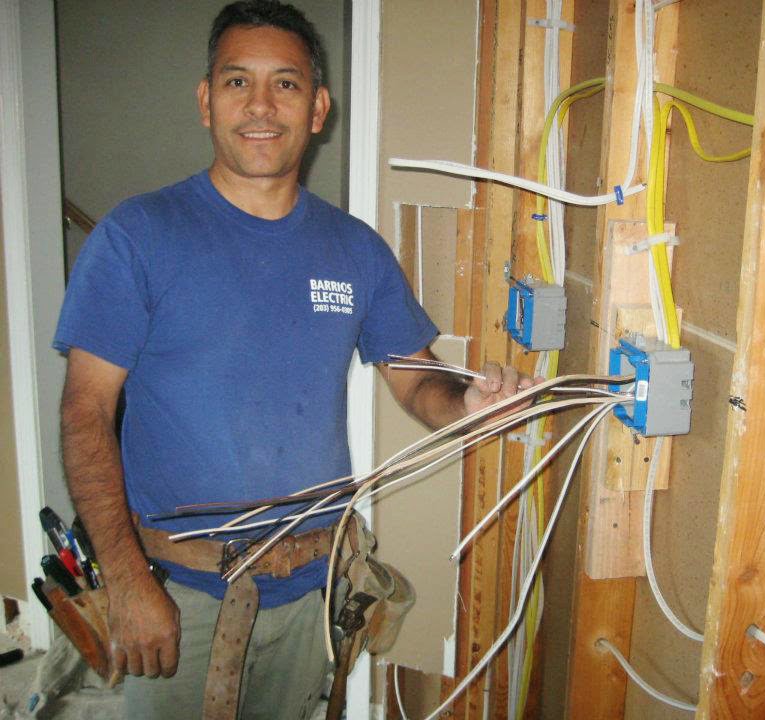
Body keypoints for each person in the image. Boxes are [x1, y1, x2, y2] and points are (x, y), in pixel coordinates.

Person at [54, 2, 531, 718]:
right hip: (178, 595)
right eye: (237, 81)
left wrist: (466, 404)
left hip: (313, 590)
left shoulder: (355, 248)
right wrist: (125, 581)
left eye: (285, 83)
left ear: (318, 108)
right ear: (206, 100)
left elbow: (416, 380)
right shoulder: (137, 236)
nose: (260, 105)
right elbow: (85, 412)